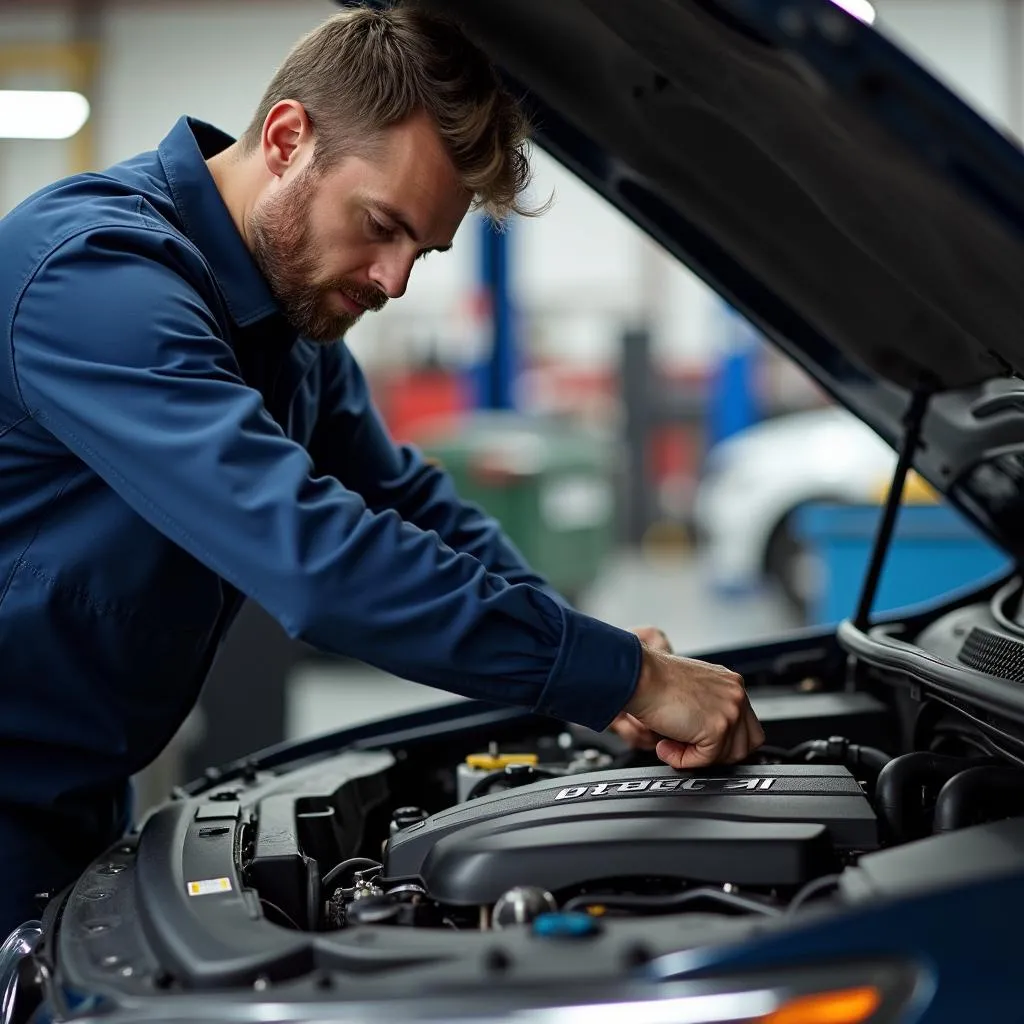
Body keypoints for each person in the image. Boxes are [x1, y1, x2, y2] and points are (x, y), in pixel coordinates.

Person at [0, 3, 763, 935]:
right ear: (287, 139)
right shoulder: (96, 279)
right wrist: (620, 679)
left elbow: (411, 504)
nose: (396, 281)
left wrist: (605, 663)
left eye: (423, 251)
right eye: (381, 225)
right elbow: (321, 558)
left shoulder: (288, 326)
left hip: (69, 795)